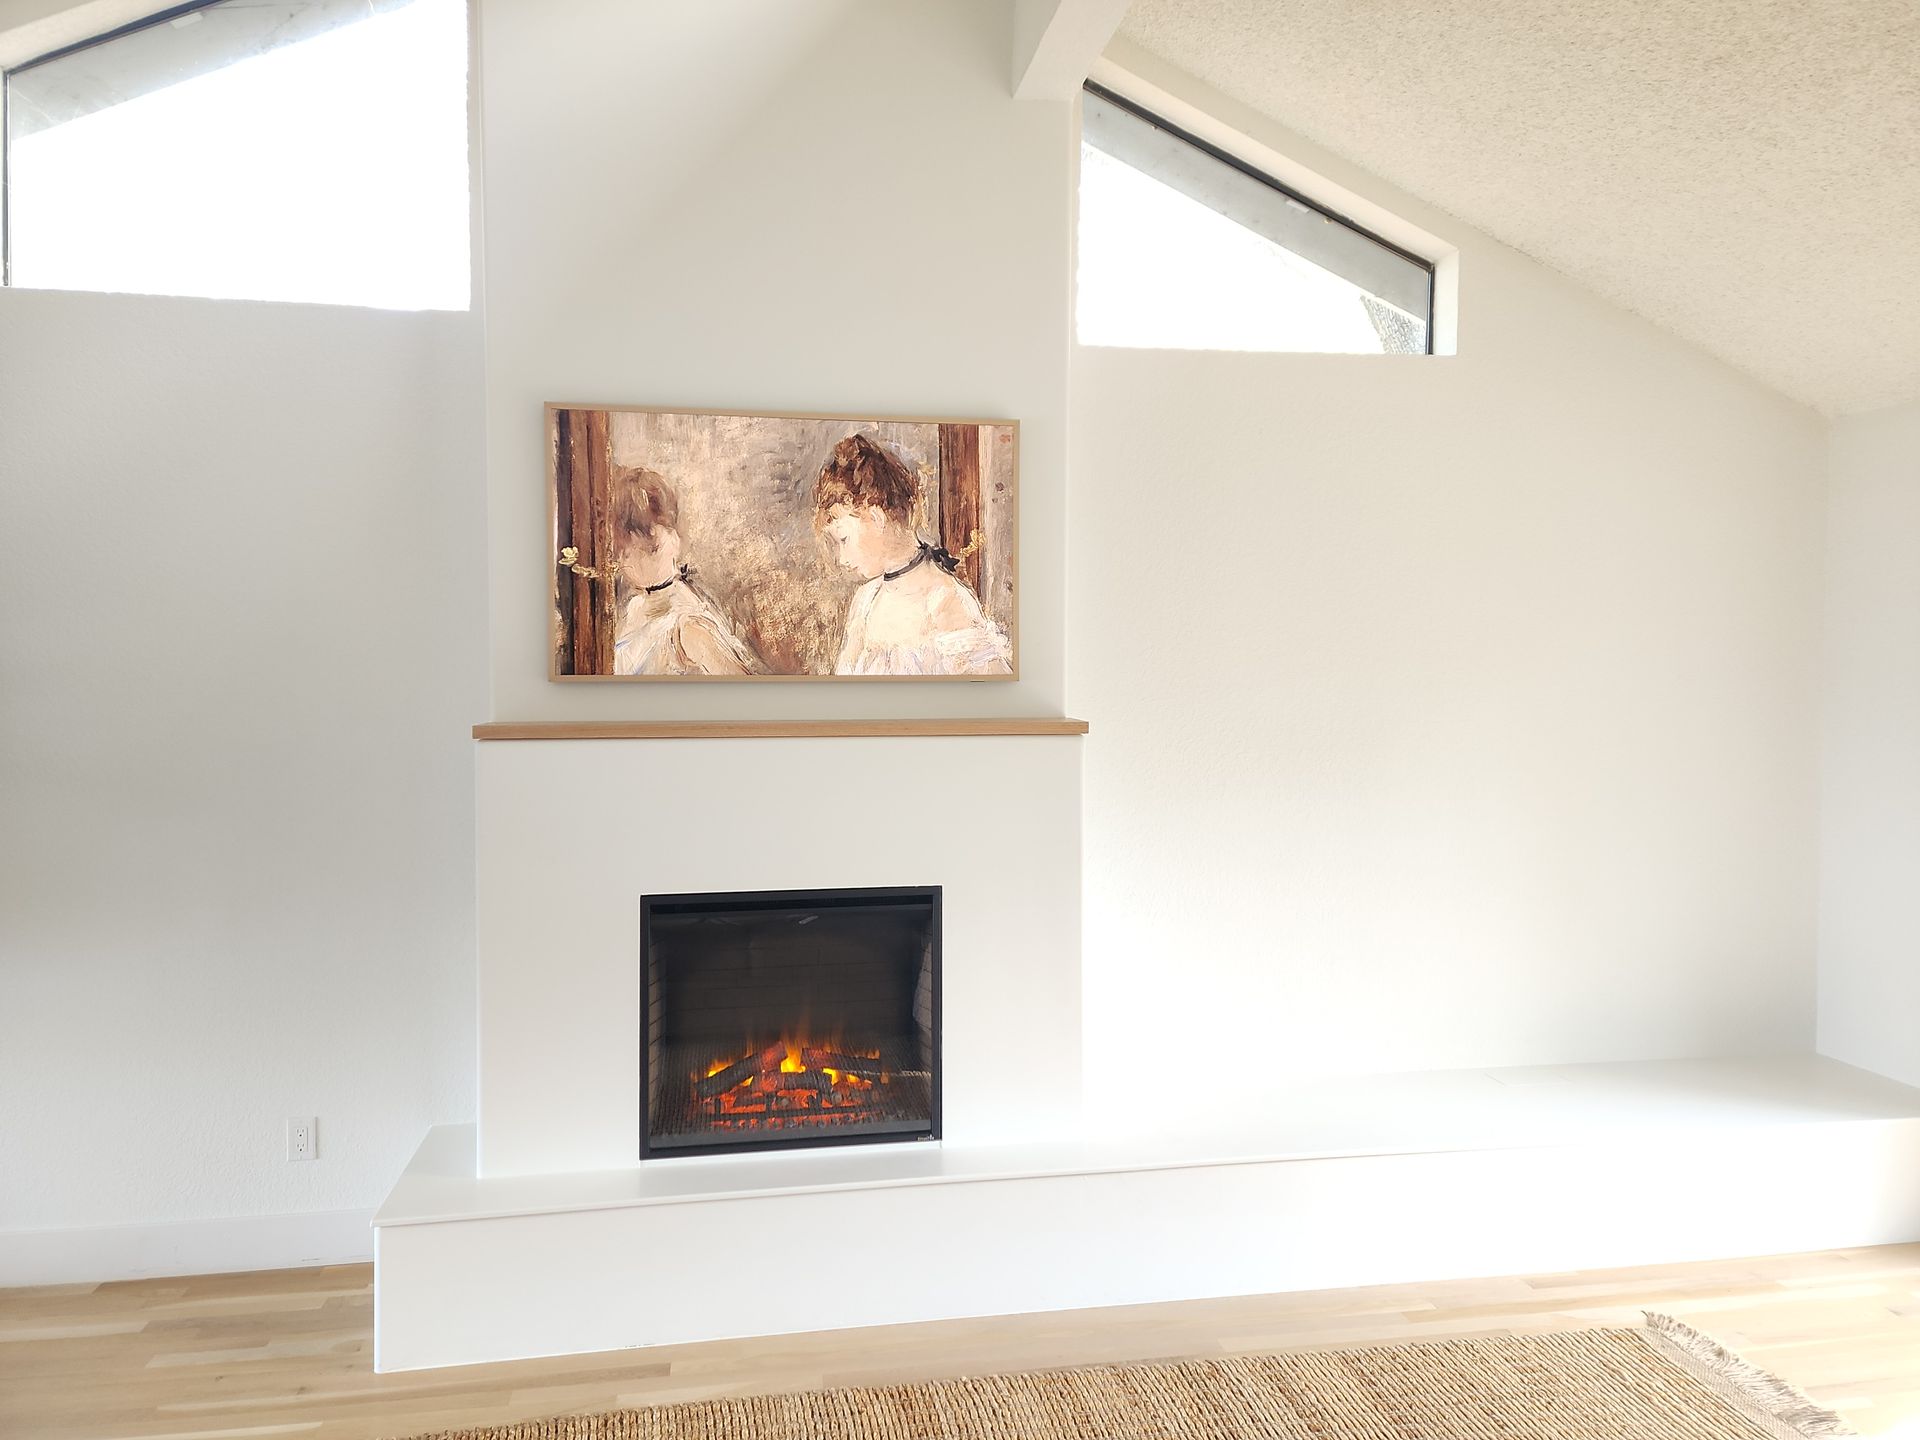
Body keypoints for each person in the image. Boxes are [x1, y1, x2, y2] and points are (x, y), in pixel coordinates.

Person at [813, 434, 1011, 676]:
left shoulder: (945, 601)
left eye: (844, 540)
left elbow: (990, 690)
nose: (842, 558)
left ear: (876, 518)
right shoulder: (866, 600)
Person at [608, 466, 759, 676]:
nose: (638, 561)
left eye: (652, 548)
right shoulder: (634, 608)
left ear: (675, 539)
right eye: (624, 553)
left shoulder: (688, 625)